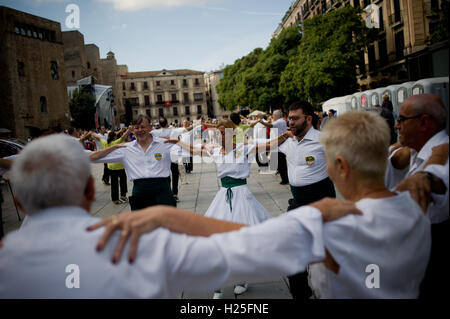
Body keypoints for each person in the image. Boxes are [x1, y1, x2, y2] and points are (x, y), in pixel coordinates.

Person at [91, 111, 432, 299]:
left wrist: (165, 217)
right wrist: (427, 174)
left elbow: (249, 243)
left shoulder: (326, 226)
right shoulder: (416, 206)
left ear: (341, 166)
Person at [0, 134, 362, 298]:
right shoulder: (144, 247)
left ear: (17, 201)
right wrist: (317, 216)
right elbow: (254, 249)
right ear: (91, 191)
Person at [166, 119, 293, 298]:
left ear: (233, 133)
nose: (221, 135)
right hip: (224, 196)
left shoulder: (243, 148)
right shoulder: (215, 150)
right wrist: (178, 142)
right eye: (219, 133)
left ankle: (241, 278)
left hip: (242, 195)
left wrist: (283, 136)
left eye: (225, 132)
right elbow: (194, 150)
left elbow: (267, 145)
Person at [385, 93, 449, 299]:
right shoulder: (414, 152)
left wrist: (426, 177)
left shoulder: (443, 156)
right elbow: (392, 161)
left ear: (423, 122)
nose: (396, 126)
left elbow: (435, 181)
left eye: (401, 119)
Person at [279, 101, 336, 299]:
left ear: (308, 119)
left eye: (295, 118)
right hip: (297, 204)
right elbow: (259, 146)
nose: (290, 122)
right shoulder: (288, 142)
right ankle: (301, 295)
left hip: (321, 202)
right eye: (289, 118)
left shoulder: (324, 140)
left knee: (325, 258)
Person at [89, 115, 177, 210]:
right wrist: (113, 147)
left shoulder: (164, 144)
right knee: (141, 224)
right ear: (132, 130)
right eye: (136, 127)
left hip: (162, 190)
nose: (140, 130)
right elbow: (91, 158)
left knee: (167, 223)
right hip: (140, 192)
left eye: (143, 127)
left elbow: (191, 152)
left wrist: (178, 142)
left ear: (150, 128)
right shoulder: (126, 148)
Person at [258, 110, 289, 184]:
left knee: (281, 163)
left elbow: (270, 125)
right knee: (279, 163)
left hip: (280, 145)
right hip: (277, 144)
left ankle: (285, 179)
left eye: (273, 115)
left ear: (277, 116)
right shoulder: (279, 121)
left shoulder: (280, 121)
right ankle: (284, 177)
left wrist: (262, 122)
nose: (272, 117)